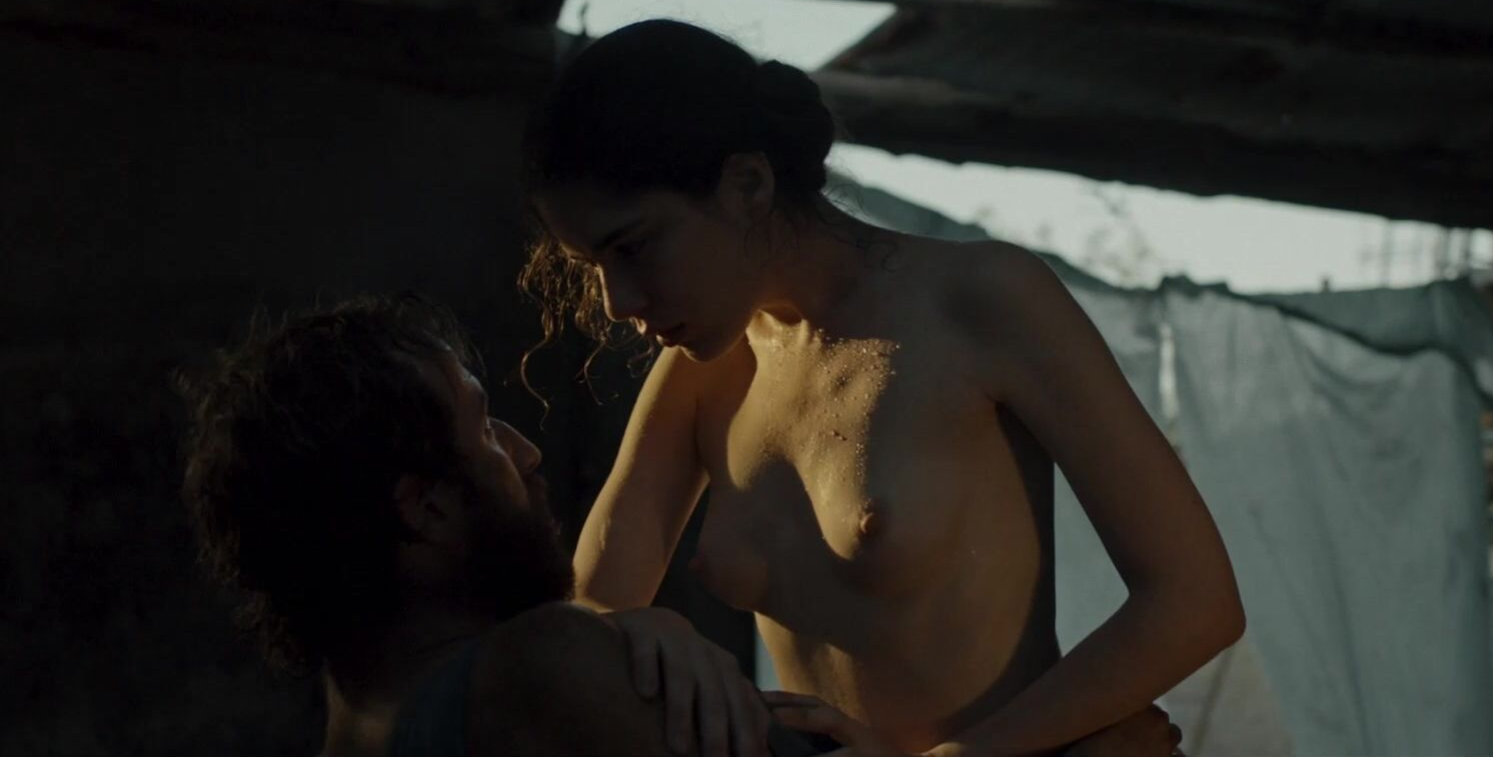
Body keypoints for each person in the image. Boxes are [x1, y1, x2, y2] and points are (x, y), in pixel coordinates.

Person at [520, 19, 1246, 757]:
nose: (616, 302)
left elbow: (1196, 603)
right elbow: (588, 620)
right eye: (591, 267)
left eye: (635, 246)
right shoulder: (701, 372)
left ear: (747, 184)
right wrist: (644, 629)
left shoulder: (983, 300)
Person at [176, 295, 1184, 757]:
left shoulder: (362, 723)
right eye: (484, 430)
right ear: (424, 506)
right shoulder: (540, 672)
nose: (526, 453)